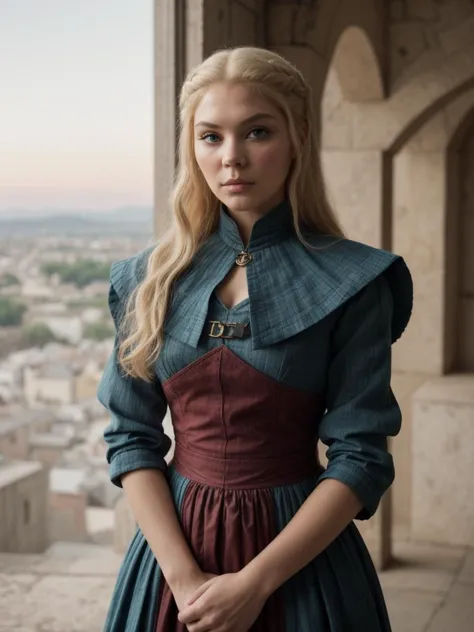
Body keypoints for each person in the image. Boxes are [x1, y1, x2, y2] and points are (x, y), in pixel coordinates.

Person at [97, 46, 413, 632]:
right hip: (171, 566)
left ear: (297, 140)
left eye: (257, 132)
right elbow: (130, 437)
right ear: (191, 148)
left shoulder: (357, 282)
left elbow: (360, 456)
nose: (232, 158)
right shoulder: (145, 280)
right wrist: (186, 581)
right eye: (210, 136)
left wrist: (254, 585)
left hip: (300, 567)